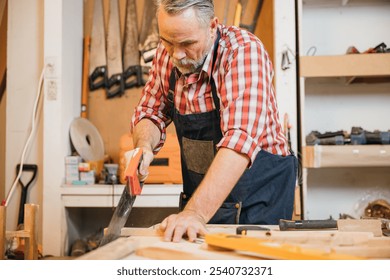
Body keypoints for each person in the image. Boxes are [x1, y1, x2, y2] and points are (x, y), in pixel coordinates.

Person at [131, 0, 297, 243]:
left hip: (260, 200)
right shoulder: (168, 54)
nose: (176, 54)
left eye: (187, 43)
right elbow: (150, 111)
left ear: (212, 27)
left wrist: (194, 213)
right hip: (206, 198)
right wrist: (144, 146)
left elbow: (239, 141)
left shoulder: (243, 52)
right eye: (168, 42)